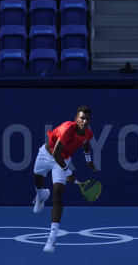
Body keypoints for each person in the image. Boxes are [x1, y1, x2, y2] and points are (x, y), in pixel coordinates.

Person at [31, 105, 98, 254]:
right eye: (82, 118)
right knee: (38, 180)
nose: (84, 121)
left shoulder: (88, 133)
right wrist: (68, 172)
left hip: (63, 160)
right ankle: (41, 195)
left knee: (58, 194)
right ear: (76, 119)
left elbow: (85, 144)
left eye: (87, 119)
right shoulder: (67, 129)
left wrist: (88, 160)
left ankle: (52, 239)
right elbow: (56, 153)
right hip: (47, 154)